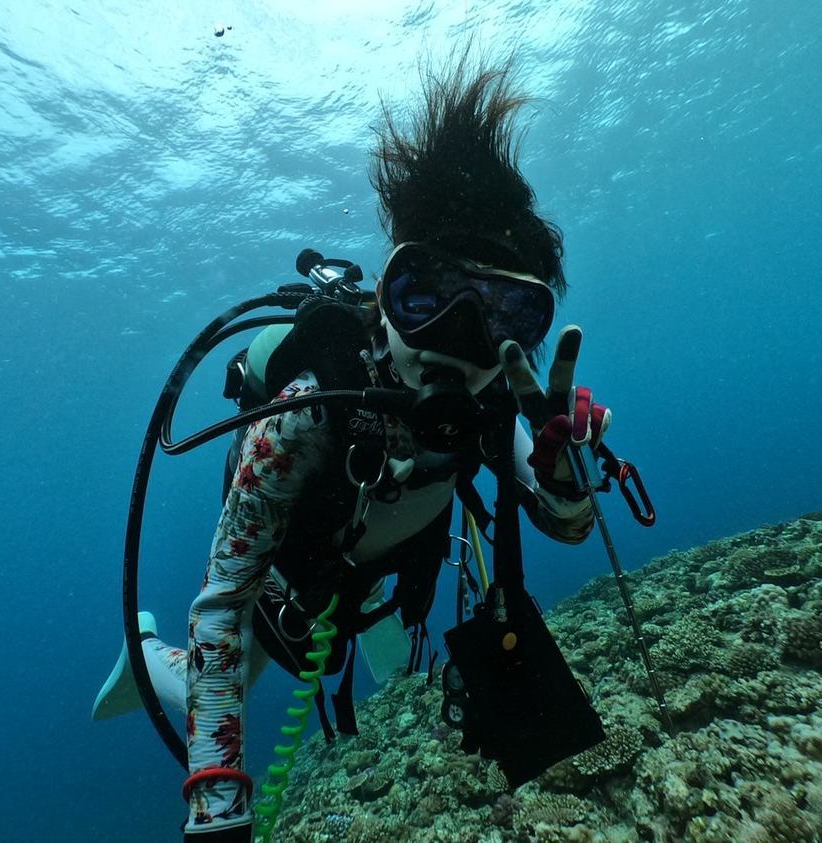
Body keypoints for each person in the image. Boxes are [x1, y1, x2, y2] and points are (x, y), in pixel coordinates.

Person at [94, 51, 612, 842]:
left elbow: (566, 521)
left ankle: (367, 635)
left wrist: (566, 475)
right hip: (288, 581)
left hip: (380, 573)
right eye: (427, 298)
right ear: (385, 295)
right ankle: (143, 655)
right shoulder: (305, 414)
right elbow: (223, 604)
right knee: (244, 664)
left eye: (503, 314)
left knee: (390, 663)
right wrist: (218, 808)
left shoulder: (498, 405)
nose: (457, 343)